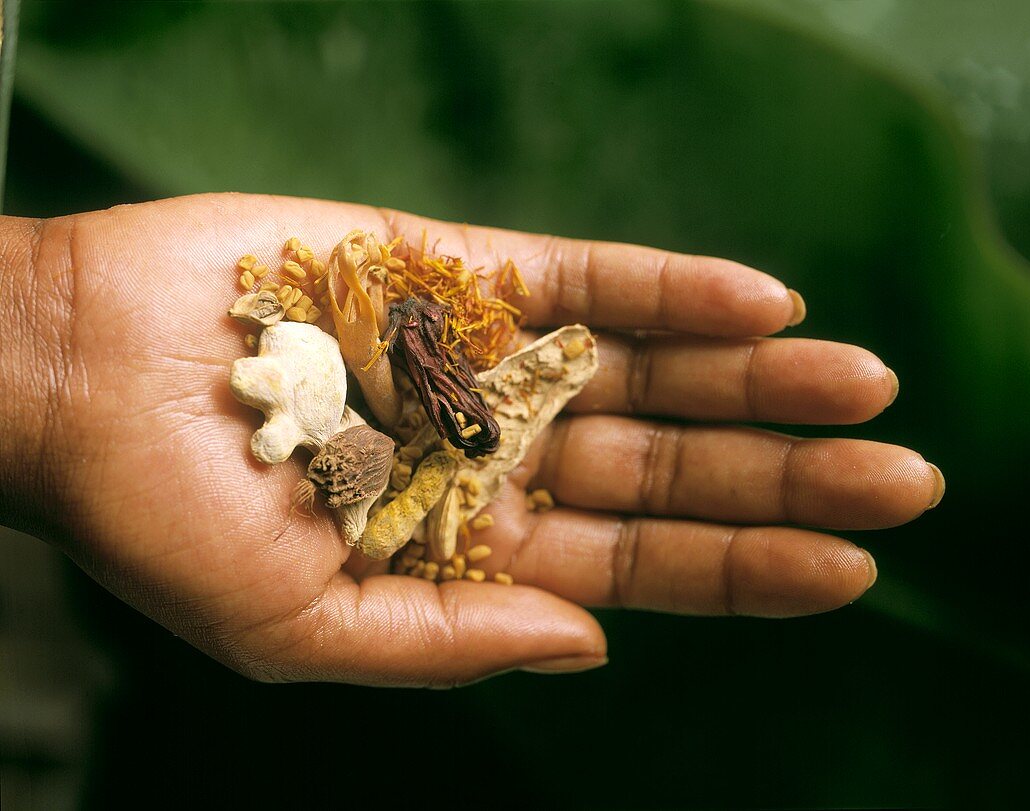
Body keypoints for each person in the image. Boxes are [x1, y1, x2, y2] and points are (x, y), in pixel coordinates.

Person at [0, 193, 944, 687]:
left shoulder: (450, 417)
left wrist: (50, 313)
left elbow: (484, 412)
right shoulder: (349, 386)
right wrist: (48, 328)